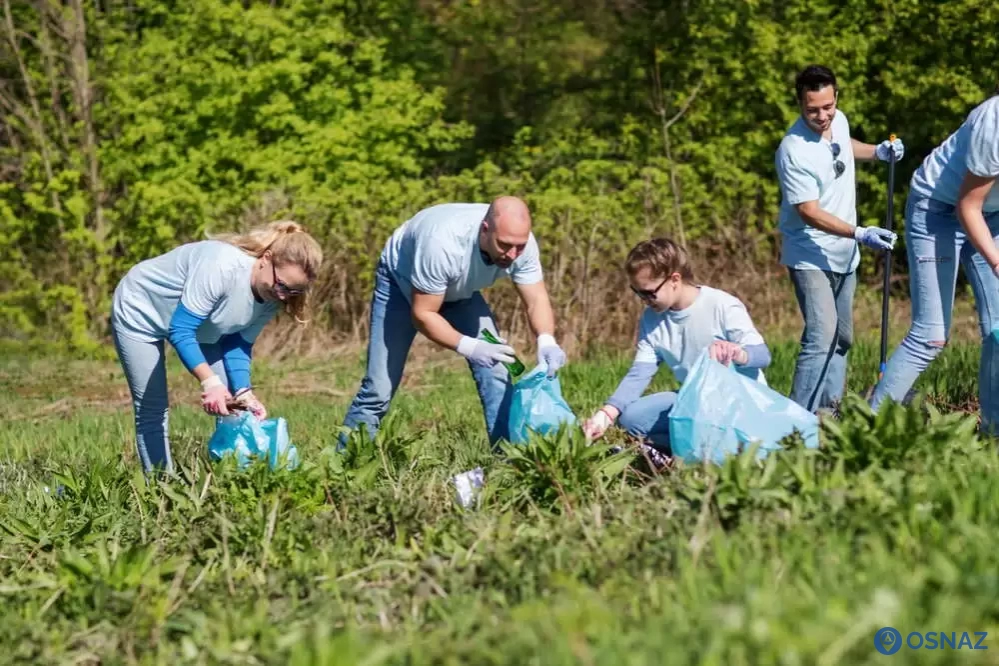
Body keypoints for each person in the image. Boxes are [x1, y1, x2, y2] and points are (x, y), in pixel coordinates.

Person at [340, 196, 567, 447]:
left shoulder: (522, 244)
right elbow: (423, 314)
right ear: (485, 230)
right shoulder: (443, 243)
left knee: (497, 370)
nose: (512, 255)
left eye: (519, 247)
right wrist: (470, 347)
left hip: (459, 292)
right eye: (504, 245)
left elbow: (536, 298)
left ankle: (507, 461)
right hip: (401, 283)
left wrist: (546, 340)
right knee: (378, 389)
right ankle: (346, 466)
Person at [110, 221, 323, 474]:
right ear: (266, 259)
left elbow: (237, 341)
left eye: (294, 291)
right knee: (153, 407)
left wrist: (244, 391)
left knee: (234, 407)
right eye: (283, 286)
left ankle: (233, 478)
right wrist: (209, 382)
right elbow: (181, 329)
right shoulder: (222, 266)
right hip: (141, 309)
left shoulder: (272, 296)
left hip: (200, 326)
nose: (284, 296)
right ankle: (159, 487)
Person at [776, 64, 905, 414]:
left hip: (845, 254)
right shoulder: (793, 149)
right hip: (810, 255)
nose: (822, 116)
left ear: (836, 98)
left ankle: (827, 412)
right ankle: (794, 422)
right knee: (822, 336)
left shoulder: (839, 121)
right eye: (813, 109)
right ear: (800, 104)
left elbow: (844, 146)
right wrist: (861, 233)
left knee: (843, 339)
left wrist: (877, 151)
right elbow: (809, 212)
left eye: (828, 106)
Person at [870, 90, 999, 430]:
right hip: (938, 209)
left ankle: (993, 432)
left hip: (993, 213)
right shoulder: (995, 122)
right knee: (931, 335)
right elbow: (967, 206)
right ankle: (863, 428)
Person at [580, 238, 771, 462]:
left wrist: (738, 353)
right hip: (695, 402)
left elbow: (763, 355)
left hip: (740, 403)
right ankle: (672, 452)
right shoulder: (652, 319)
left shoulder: (722, 305)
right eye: (638, 292)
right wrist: (605, 415)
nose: (644, 300)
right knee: (632, 418)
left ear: (675, 279)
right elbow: (639, 374)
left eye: (649, 293)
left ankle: (713, 451)